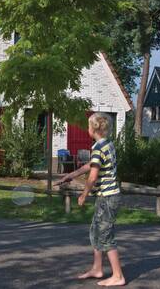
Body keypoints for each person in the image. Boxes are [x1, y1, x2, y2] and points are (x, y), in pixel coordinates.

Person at [55, 113, 125, 287]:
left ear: (93, 129)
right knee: (96, 232)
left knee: (105, 235)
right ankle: (97, 268)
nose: (87, 128)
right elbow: (90, 166)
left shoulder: (98, 148)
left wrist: (83, 194)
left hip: (108, 197)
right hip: (106, 197)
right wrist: (70, 175)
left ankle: (118, 276)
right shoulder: (106, 144)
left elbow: (93, 176)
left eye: (88, 125)